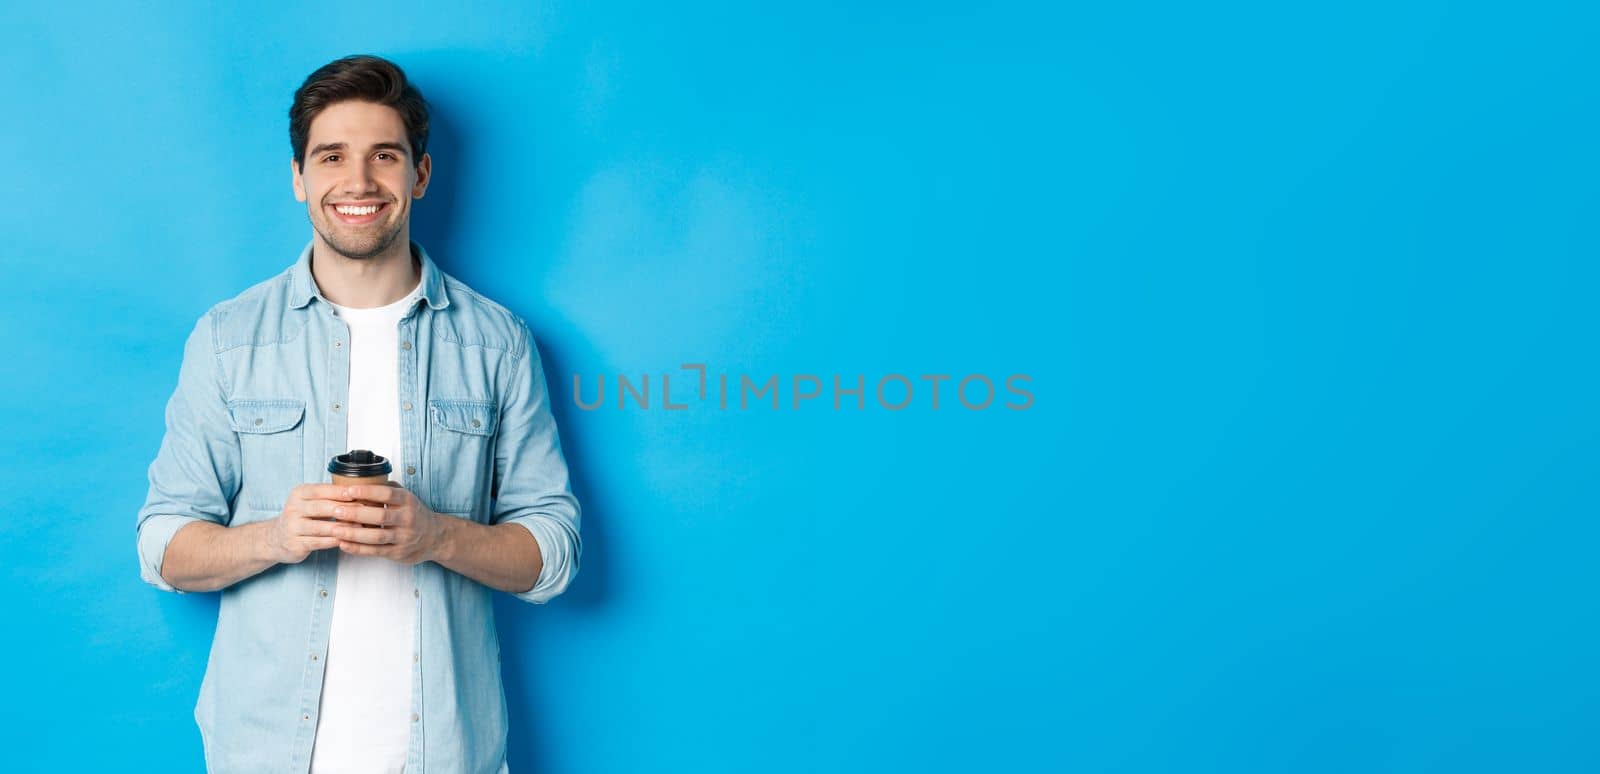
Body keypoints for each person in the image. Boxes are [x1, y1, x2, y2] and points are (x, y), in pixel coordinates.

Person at [135, 54, 581, 774]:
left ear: (420, 176)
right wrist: (276, 537)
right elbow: (161, 546)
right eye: (331, 156)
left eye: (385, 156)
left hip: (446, 754)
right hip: (263, 754)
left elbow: (553, 554)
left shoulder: (498, 342)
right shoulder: (227, 338)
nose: (359, 182)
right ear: (299, 178)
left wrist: (435, 534)